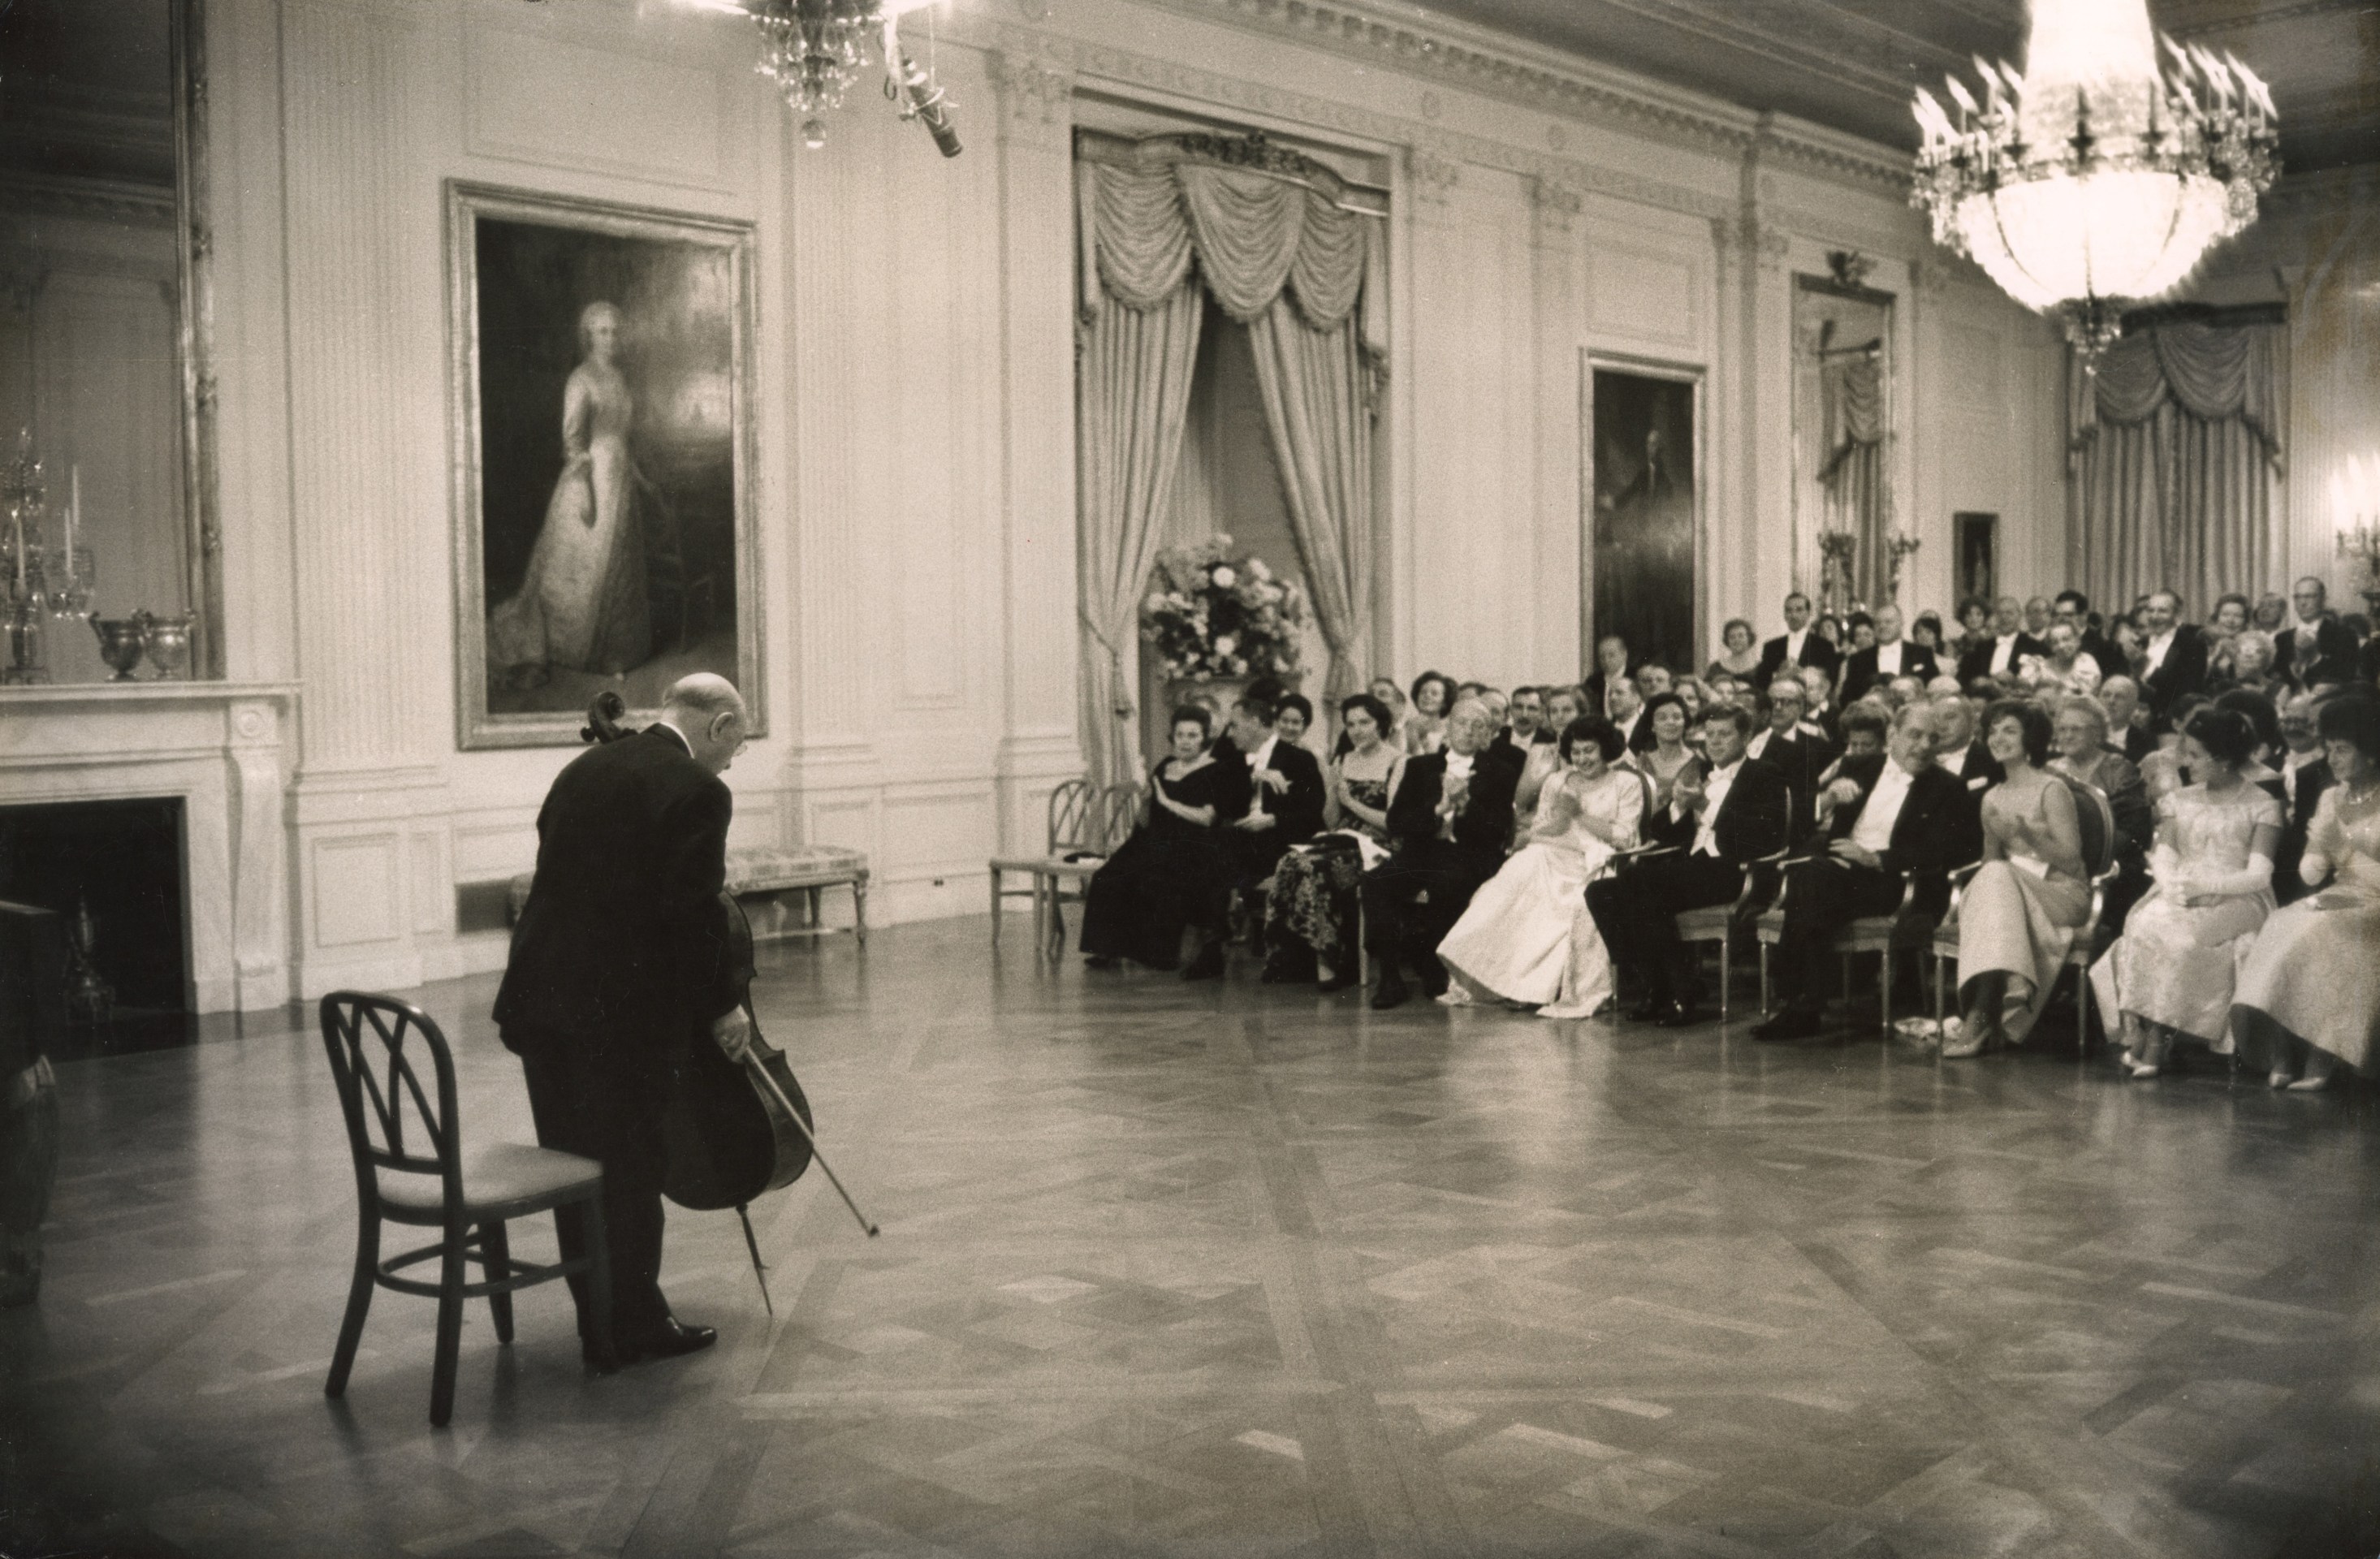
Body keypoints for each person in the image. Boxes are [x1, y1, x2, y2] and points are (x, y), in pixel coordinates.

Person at [493, 672, 750, 1370]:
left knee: (577, 1164)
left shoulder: (584, 767)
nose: (734, 759)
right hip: (619, 1018)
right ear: (719, 725)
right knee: (632, 1169)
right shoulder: (699, 790)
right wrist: (723, 1006)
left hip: (540, 1003)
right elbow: (691, 917)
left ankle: (598, 1319)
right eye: (737, 743)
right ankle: (630, 1326)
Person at [1753, 702, 1980, 1039]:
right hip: (1837, 872)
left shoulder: (1947, 787)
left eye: (1932, 739)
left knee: (1808, 883)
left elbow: (1944, 852)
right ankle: (1806, 1002)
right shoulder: (1857, 765)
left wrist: (1876, 858)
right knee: (1812, 877)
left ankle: (1802, 1002)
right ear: (1892, 735)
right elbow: (1797, 818)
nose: (1923, 746)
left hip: (1894, 882)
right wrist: (1828, 798)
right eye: (1915, 735)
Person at [2089, 706, 2283, 1077]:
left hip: (2241, 897)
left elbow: (2258, 875)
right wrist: (2175, 889)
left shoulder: (2262, 805)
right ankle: (2146, 1028)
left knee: (2188, 940)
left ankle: (2161, 1036)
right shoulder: (2180, 800)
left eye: (2195, 756)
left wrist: (2207, 887)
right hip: (2182, 889)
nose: (2185, 763)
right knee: (2145, 925)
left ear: (2223, 759)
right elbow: (2165, 855)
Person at [1586, 703, 1791, 1026]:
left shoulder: (1764, 774)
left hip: (1736, 871)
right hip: (1695, 869)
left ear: (1746, 737)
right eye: (1710, 734)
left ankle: (1679, 993)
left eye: (1725, 734)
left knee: (1646, 885)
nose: (1715, 742)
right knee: (1601, 891)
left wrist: (1705, 805)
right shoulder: (1703, 775)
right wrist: (1680, 807)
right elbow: (1661, 834)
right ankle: (1657, 986)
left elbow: (1759, 838)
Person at [486, 300, 653, 687]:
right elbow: (574, 441)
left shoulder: (621, 379)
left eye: (614, 331)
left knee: (621, 569)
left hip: (622, 482)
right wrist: (585, 491)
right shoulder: (581, 378)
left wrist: (641, 478)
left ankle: (617, 654)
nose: (609, 338)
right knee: (583, 570)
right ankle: (577, 651)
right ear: (589, 335)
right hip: (591, 479)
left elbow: (623, 439)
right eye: (602, 331)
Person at [1437, 715, 1643, 1015]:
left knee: (1572, 907)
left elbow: (1625, 839)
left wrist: (1579, 815)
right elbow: (1542, 830)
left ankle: (1539, 989)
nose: (1582, 759)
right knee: (1513, 881)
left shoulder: (1627, 782)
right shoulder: (1556, 781)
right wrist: (1553, 823)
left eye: (1589, 751)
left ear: (1606, 749)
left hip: (1593, 860)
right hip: (1550, 854)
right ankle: (1508, 983)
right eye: (1576, 752)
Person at [2232, 696, 2380, 1089]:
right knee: (2282, 922)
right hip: (2342, 893)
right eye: (2329, 749)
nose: (2332, 759)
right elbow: (2313, 873)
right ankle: (2282, 1050)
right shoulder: (2331, 797)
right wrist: (2322, 845)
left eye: (2343, 750)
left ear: (2371, 753)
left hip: (2375, 902)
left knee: (2322, 934)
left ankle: (2322, 1054)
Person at [1941, 700, 2089, 1057]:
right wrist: (1962, 904)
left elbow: (2072, 860)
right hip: (2012, 896)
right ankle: (2009, 985)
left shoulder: (2051, 789)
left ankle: (1982, 1014)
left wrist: (2027, 832)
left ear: (2030, 739)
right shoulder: (1991, 796)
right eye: (1993, 730)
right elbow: (1991, 862)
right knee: (1994, 873)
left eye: (2009, 730)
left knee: (1998, 876)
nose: (1997, 738)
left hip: (2062, 893)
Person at [1362, 700, 1523, 1009]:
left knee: (1449, 881)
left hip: (1470, 854)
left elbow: (1498, 830)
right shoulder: (1420, 766)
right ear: (1448, 728)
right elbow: (1396, 822)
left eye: (1478, 726)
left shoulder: (1500, 771)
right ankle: (1390, 976)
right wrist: (1439, 809)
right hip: (1420, 852)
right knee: (1376, 882)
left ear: (1487, 734)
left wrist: (1465, 806)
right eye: (1462, 723)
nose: (1468, 731)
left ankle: (1436, 965)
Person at [1080, 706, 1248, 975]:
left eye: (1193, 735)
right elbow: (1147, 815)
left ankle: (1157, 954)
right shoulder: (1164, 766)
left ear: (1204, 738)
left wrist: (1169, 802)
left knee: (1159, 876)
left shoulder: (1216, 771)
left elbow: (1207, 818)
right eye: (1180, 734)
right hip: (1155, 837)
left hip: (1193, 843)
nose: (1185, 741)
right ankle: (1109, 947)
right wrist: (1144, 807)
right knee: (1110, 875)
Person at [1265, 694, 1405, 991]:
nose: (1357, 730)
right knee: (1291, 861)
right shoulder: (1343, 759)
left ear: (1380, 723)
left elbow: (1392, 823)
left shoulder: (1398, 761)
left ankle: (1333, 963)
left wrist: (1350, 801)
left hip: (1378, 845)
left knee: (1319, 867)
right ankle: (1297, 959)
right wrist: (1330, 785)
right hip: (1343, 837)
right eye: (1351, 724)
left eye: (1364, 722)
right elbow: (1330, 820)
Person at [1215, 693, 1325, 970]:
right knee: (1203, 847)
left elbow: (1313, 813)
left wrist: (1273, 819)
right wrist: (1252, 777)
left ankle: (1265, 933)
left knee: (1222, 853)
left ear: (1255, 722)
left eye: (1235, 725)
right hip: (1245, 838)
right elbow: (1224, 805)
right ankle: (1215, 942)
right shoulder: (1235, 759)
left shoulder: (1299, 759)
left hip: (1282, 839)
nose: (1230, 733)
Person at [2049, 695, 2151, 927]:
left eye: (2076, 729)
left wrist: (2081, 855)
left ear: (2097, 733)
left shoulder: (2119, 770)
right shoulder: (2048, 770)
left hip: (2104, 869)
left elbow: (2135, 833)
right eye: (2062, 729)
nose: (2067, 736)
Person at [1747, 675, 1834, 843]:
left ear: (1801, 707)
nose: (1778, 707)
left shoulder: (1818, 748)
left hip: (1793, 835)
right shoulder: (1750, 742)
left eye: (1786, 702)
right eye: (1772, 701)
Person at [2272, 691, 2335, 904]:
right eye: (2287, 721)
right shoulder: (2271, 761)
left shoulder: (2327, 768)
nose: (2291, 728)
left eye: (2301, 722)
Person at [1839, 604, 1941, 706]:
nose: (1882, 626)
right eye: (1878, 623)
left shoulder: (1923, 653)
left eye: (1888, 622)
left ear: (1901, 624)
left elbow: (1935, 690)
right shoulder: (1858, 659)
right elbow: (1847, 698)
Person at [2275, 577, 2360, 690]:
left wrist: (2314, 656)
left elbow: (2346, 676)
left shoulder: (2344, 635)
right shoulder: (2282, 639)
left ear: (2323, 599)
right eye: (2298, 597)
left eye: (2309, 596)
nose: (2303, 603)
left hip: (2328, 703)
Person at [2136, 590, 2209, 719]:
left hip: (2169, 720)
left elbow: (2190, 691)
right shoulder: (2139, 644)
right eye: (2151, 610)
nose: (2154, 616)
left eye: (2162, 611)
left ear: (2177, 615)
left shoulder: (2192, 646)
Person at [1517, 685, 1584, 821]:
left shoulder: (1592, 752)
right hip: (1541, 820)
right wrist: (1551, 771)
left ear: (1581, 714)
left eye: (1567, 710)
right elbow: (1521, 800)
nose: (1559, 716)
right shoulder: (1539, 750)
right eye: (1554, 711)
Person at [1628, 692, 1702, 810]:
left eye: (1677, 717)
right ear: (1652, 726)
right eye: (1662, 718)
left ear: (1685, 722)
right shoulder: (1640, 763)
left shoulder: (1700, 762)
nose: (1670, 722)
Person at [1955, 596, 2049, 685]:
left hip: (2018, 698)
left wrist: (2015, 680)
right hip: (1985, 698)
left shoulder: (2034, 646)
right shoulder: (1982, 647)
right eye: (2000, 613)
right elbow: (1965, 678)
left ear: (2020, 616)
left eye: (2009, 613)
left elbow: (2041, 680)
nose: (2004, 617)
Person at [1756, 592, 1842, 686]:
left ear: (1808, 613)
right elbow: (1761, 681)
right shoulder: (1771, 647)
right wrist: (1779, 675)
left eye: (1799, 610)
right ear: (1784, 615)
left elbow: (1831, 680)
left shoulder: (1824, 646)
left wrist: (1802, 673)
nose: (1793, 615)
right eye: (1789, 610)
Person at [2020, 620, 2102, 701]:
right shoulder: (2040, 668)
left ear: (2077, 641)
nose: (2061, 646)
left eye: (2066, 639)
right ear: (2051, 647)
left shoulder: (2086, 663)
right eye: (2055, 642)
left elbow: (2089, 700)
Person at [2098, 675, 2155, 763]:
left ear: (2133, 705)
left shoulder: (2145, 745)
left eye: (2119, 697)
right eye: (2106, 695)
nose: (2111, 701)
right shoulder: (2081, 726)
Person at [1583, 635, 1635, 719]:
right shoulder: (1593, 682)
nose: (1606, 661)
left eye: (1611, 655)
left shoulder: (1635, 677)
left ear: (1624, 655)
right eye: (1602, 657)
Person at [1406, 671, 1455, 755]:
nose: (1427, 696)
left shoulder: (1451, 729)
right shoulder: (1406, 726)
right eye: (1423, 692)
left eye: (1434, 694)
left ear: (1445, 702)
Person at [1708, 618, 1761, 682]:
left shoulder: (1761, 669)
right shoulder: (1716, 668)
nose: (1737, 640)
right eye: (1732, 637)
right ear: (1727, 641)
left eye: (1741, 636)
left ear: (1749, 638)